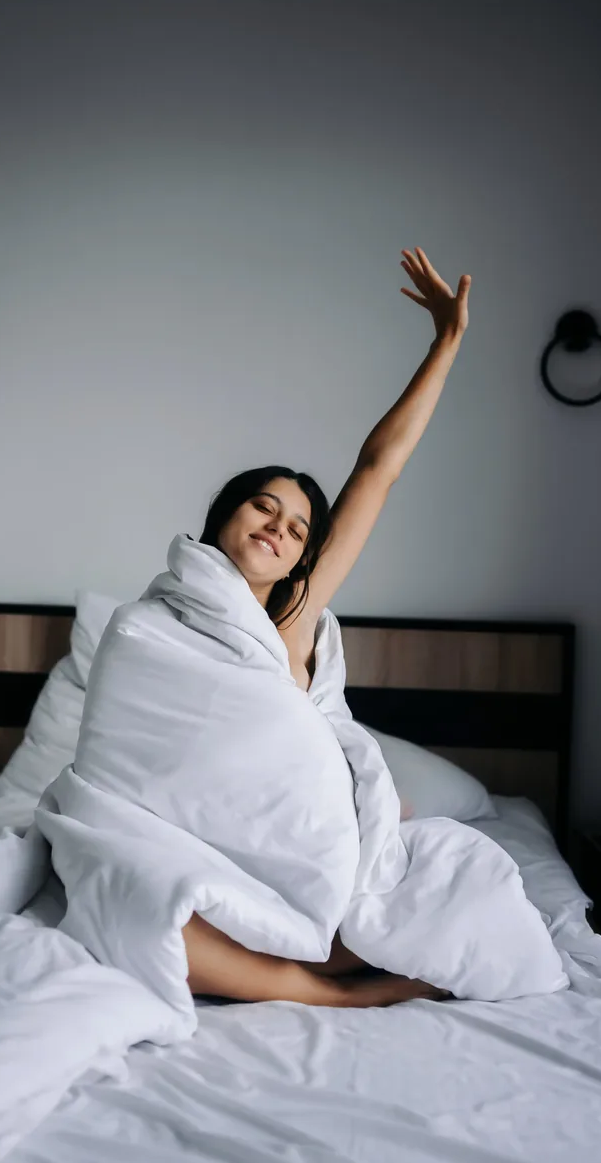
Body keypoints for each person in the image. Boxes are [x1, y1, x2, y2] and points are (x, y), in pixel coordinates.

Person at [185, 247, 471, 1007]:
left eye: (298, 527)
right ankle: (333, 985)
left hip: (293, 844)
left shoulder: (292, 611)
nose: (278, 527)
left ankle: (343, 984)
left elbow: (378, 467)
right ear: (223, 518)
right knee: (121, 902)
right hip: (206, 840)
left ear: (303, 558)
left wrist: (445, 343)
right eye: (263, 507)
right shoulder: (164, 620)